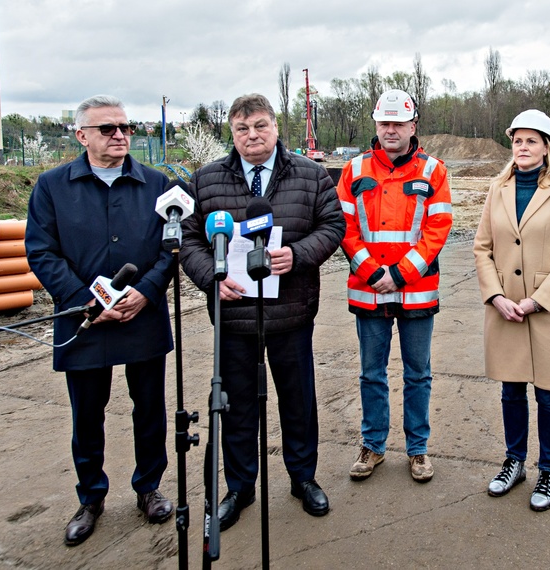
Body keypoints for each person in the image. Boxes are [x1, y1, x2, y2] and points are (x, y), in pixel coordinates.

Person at [179, 93, 344, 530]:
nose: (252, 136)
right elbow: (189, 239)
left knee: (298, 402)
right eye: (242, 129)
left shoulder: (310, 176)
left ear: (275, 127)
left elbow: (333, 226)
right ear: (231, 134)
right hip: (233, 316)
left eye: (260, 126)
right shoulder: (206, 180)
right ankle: (239, 487)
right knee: (234, 408)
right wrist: (211, 277)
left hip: (290, 312)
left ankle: (303, 478)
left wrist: (299, 253)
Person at [25, 94, 174, 545]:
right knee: (87, 414)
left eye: (126, 128)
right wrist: (82, 299)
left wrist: (147, 292)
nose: (120, 136)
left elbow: (172, 248)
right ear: (82, 135)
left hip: (140, 316)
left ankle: (148, 487)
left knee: (149, 408)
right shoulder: (52, 186)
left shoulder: (157, 184)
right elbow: (41, 251)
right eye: (108, 129)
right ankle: (90, 496)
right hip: (84, 321)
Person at [336, 89, 453, 483]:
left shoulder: (433, 171)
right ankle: (373, 446)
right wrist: (372, 272)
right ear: (376, 124)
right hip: (368, 289)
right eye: (384, 123)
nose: (390, 130)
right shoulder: (353, 170)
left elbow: (438, 230)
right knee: (372, 373)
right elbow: (345, 228)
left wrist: (399, 274)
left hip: (415, 291)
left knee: (418, 373)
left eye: (397, 123)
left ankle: (417, 449)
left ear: (412, 126)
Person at [472, 109, 550, 511]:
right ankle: (514, 462)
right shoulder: (496, 188)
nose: (522, 147)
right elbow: (482, 247)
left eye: (531, 141)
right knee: (511, 390)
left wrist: (538, 299)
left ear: (546, 147)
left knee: (549, 395)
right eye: (517, 140)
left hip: (546, 311)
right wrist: (496, 296)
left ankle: (548, 470)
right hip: (505, 308)